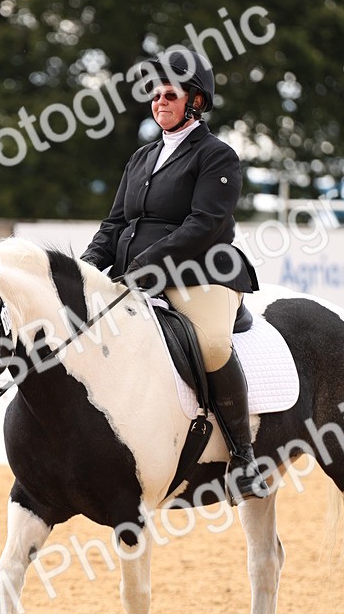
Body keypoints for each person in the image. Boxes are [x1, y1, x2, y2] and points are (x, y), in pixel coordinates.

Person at [81, 46, 269, 501]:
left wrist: (146, 265)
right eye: (155, 95)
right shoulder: (141, 158)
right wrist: (84, 269)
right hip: (136, 275)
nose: (159, 102)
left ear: (195, 101)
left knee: (209, 344)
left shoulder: (217, 156)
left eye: (170, 95)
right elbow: (116, 224)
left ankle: (244, 457)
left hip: (201, 275)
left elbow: (204, 226)